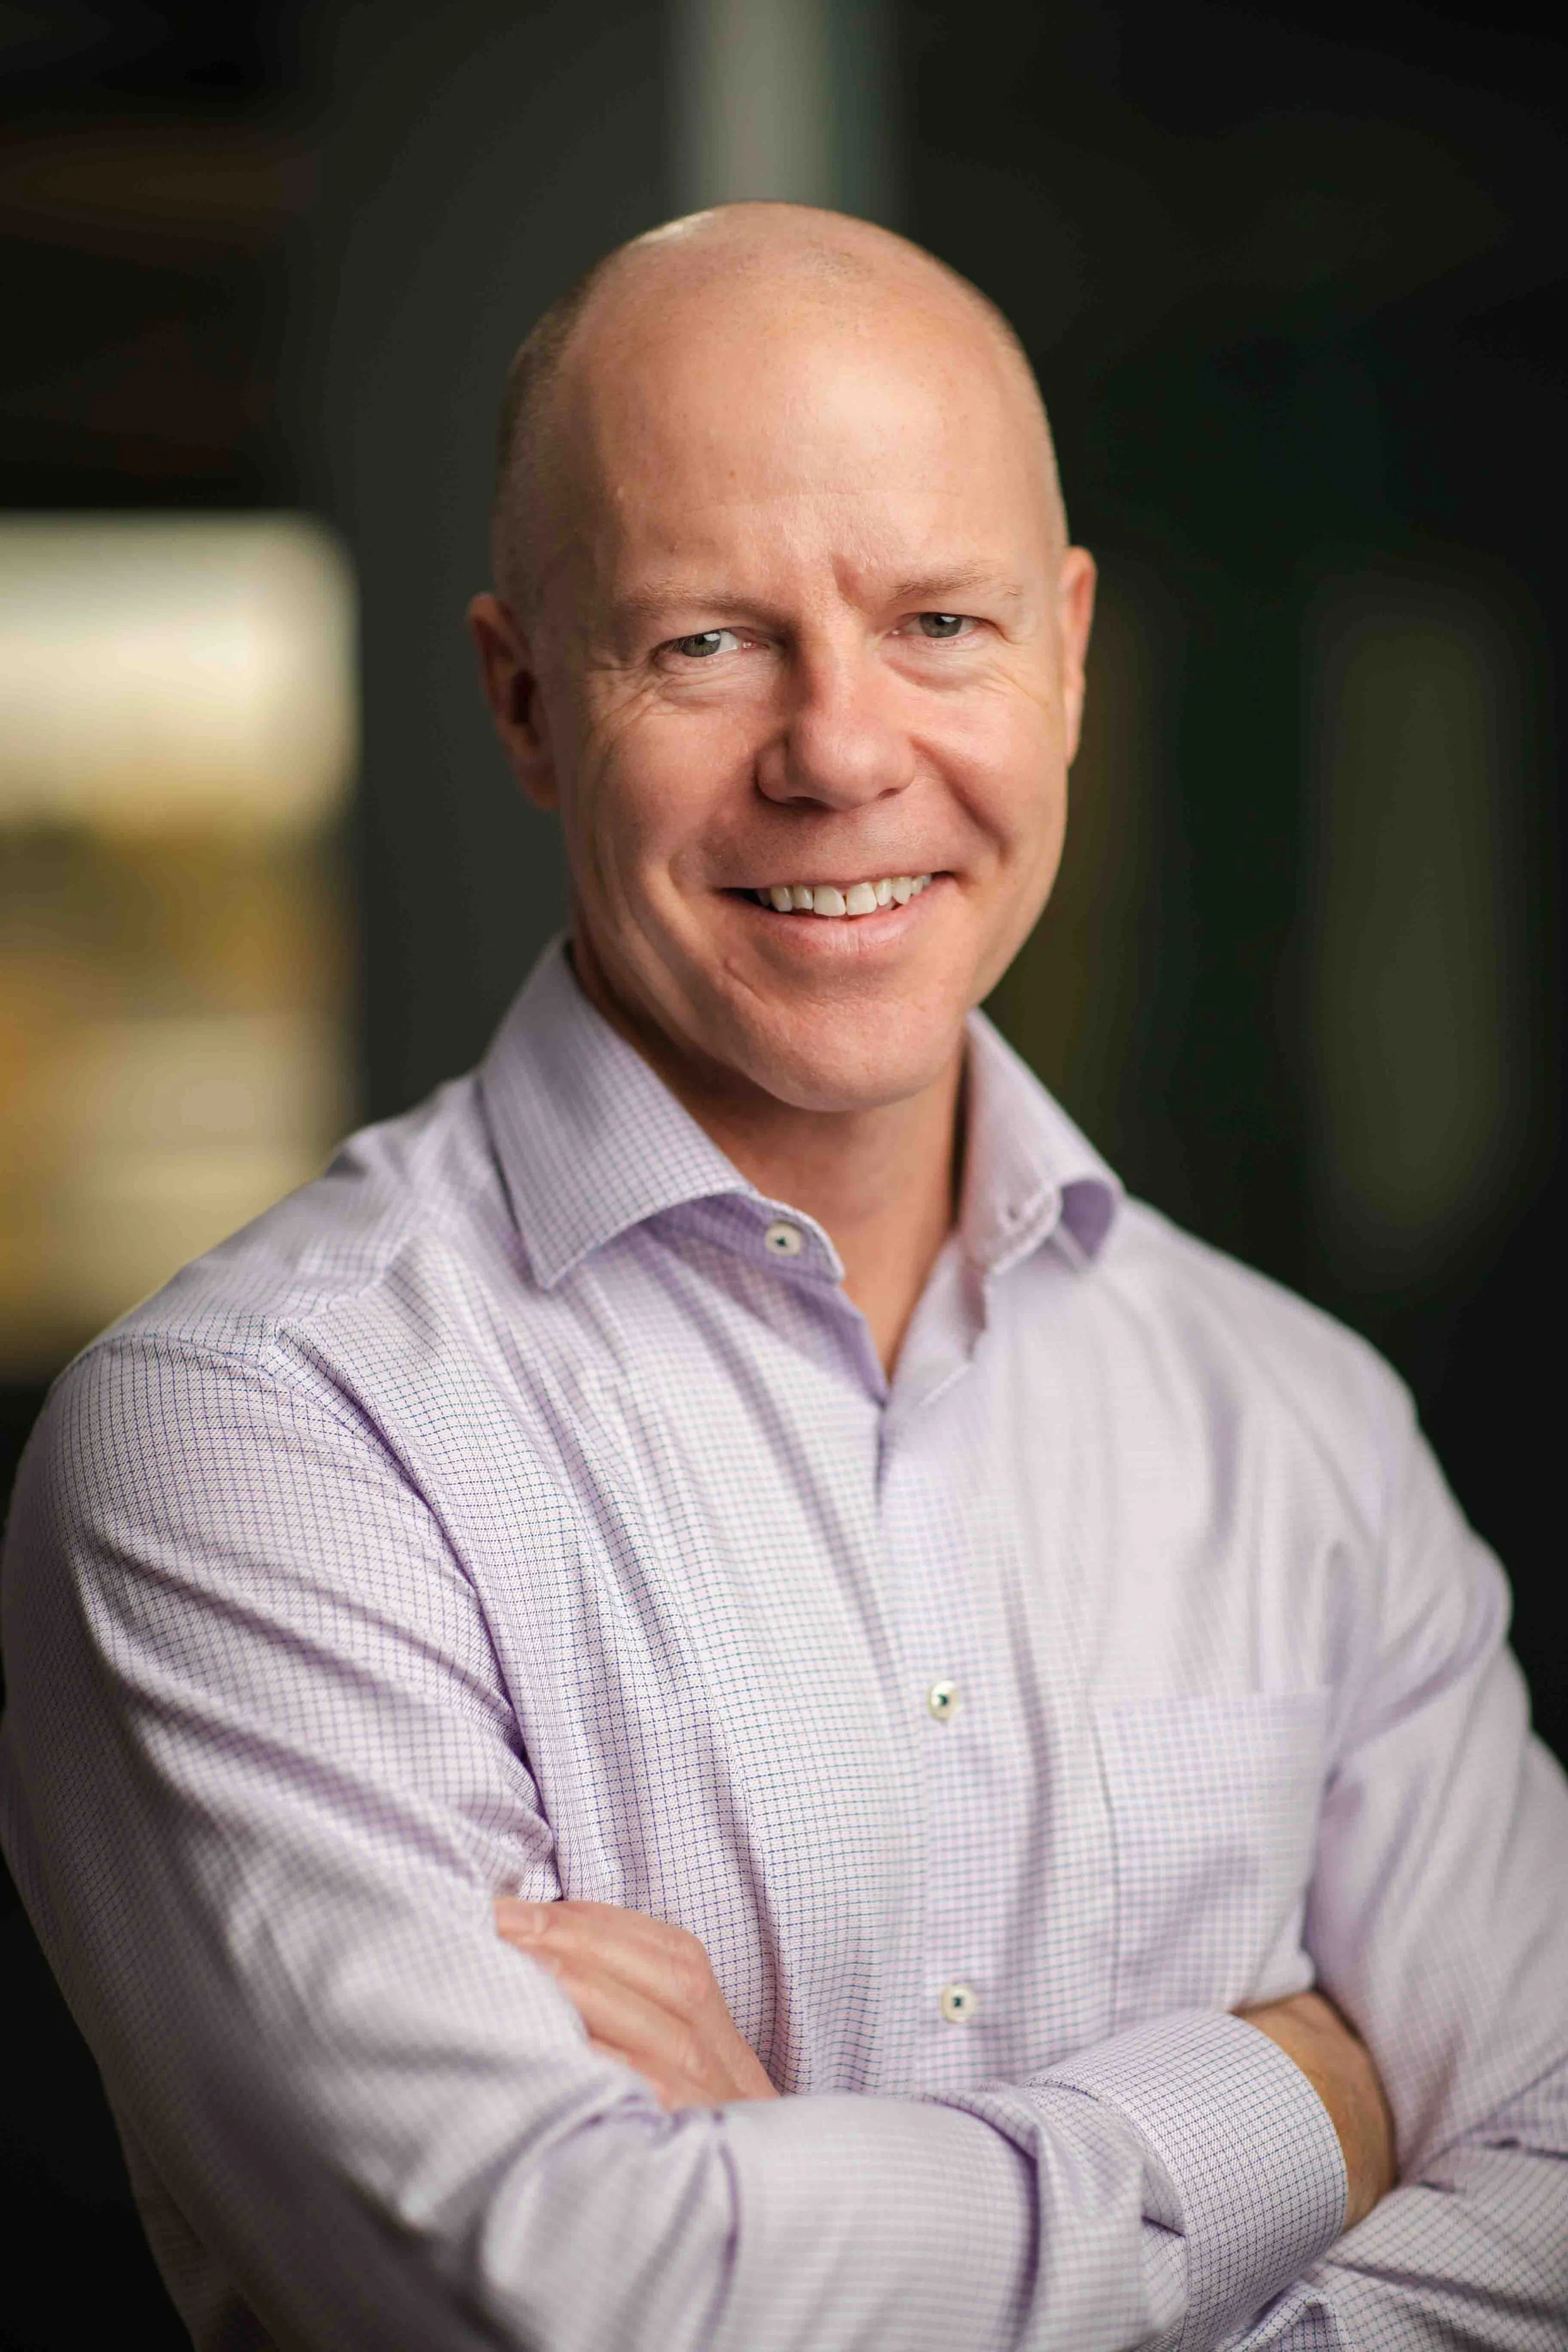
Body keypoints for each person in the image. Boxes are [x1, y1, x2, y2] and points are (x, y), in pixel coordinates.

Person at [2, 203, 1564, 2351]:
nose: (839, 751)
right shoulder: (258, 1442)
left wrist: (782, 2208)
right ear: (525, 698)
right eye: (705, 641)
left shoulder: (1299, 1425)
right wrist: (1300, 2099)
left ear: (1070, 653)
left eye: (938, 620)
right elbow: (581, 2302)